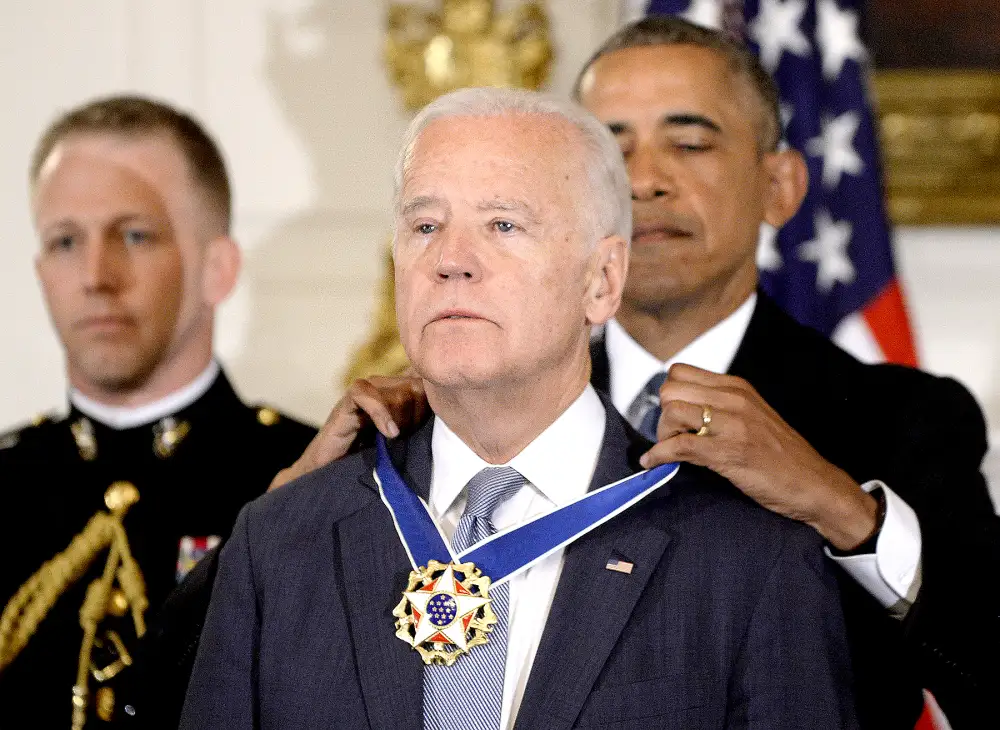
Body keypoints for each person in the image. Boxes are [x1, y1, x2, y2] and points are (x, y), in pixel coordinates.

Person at [276, 17, 997, 729]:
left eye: (689, 142)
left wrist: (841, 510)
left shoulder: (901, 418)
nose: (643, 180)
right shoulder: (463, 411)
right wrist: (282, 506)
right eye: (609, 148)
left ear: (778, 185)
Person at [181, 87, 858, 729]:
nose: (450, 260)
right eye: (424, 224)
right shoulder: (280, 543)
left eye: (503, 225)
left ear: (602, 281)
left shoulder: (749, 560)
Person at [0, 95, 316, 729]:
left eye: (134, 234)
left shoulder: (305, 479)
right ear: (39, 272)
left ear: (217, 269)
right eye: (65, 241)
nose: (95, 275)